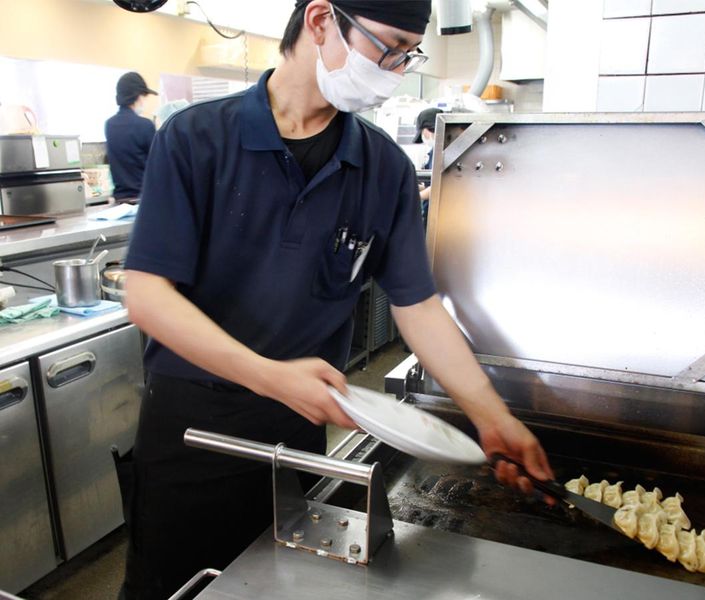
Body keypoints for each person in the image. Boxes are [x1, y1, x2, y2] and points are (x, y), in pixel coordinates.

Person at [120, 2, 554, 598]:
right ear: (322, 21)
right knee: (176, 586)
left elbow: (417, 306)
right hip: (195, 427)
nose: (395, 70)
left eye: (408, 55)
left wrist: (492, 416)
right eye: (388, 47)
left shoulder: (382, 168)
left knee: (275, 584)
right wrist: (271, 376)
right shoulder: (196, 138)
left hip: (297, 428)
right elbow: (147, 296)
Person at [105, 72, 158, 202]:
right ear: (138, 96)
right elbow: (158, 163)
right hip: (143, 199)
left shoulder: (110, 125)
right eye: (144, 96)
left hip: (120, 199)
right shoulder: (145, 125)